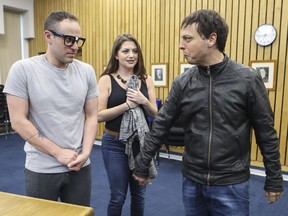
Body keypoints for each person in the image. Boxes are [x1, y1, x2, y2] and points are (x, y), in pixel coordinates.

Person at [133, 9, 283, 216]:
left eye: (187, 38)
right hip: (192, 181)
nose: (180, 45)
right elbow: (160, 125)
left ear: (211, 38)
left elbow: (266, 134)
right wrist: (142, 164)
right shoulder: (182, 82)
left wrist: (274, 178)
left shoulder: (247, 80)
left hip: (231, 183)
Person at [3, 11, 98, 206]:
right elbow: (19, 121)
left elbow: (91, 115)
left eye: (79, 40)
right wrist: (57, 152)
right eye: (69, 40)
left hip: (79, 166)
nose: (75, 47)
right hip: (42, 168)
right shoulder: (22, 70)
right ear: (49, 36)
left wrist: (86, 153)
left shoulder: (86, 71)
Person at [97, 33, 158, 216]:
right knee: (118, 196)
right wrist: (127, 105)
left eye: (134, 51)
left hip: (140, 144)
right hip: (114, 144)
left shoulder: (146, 79)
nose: (131, 55)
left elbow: (155, 113)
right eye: (126, 51)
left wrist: (142, 100)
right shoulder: (106, 79)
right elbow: (99, 116)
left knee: (139, 196)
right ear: (116, 55)